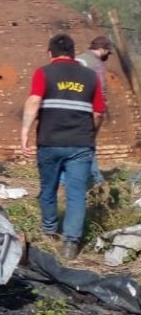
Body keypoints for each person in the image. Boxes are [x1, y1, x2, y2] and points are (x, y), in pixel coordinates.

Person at [20, 33, 105, 260]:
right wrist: (90, 135)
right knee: (76, 194)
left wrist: (25, 132)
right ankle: (70, 244)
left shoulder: (44, 73)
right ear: (73, 53)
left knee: (48, 189)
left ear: (50, 53)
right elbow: (98, 113)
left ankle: (49, 231)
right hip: (80, 144)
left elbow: (34, 101)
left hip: (49, 142)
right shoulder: (90, 76)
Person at [76, 36, 114, 184]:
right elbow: (101, 88)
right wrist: (101, 106)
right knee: (88, 142)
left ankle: (65, 179)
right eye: (107, 51)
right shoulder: (96, 64)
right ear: (103, 49)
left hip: (70, 107)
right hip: (88, 107)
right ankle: (95, 179)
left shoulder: (77, 59)